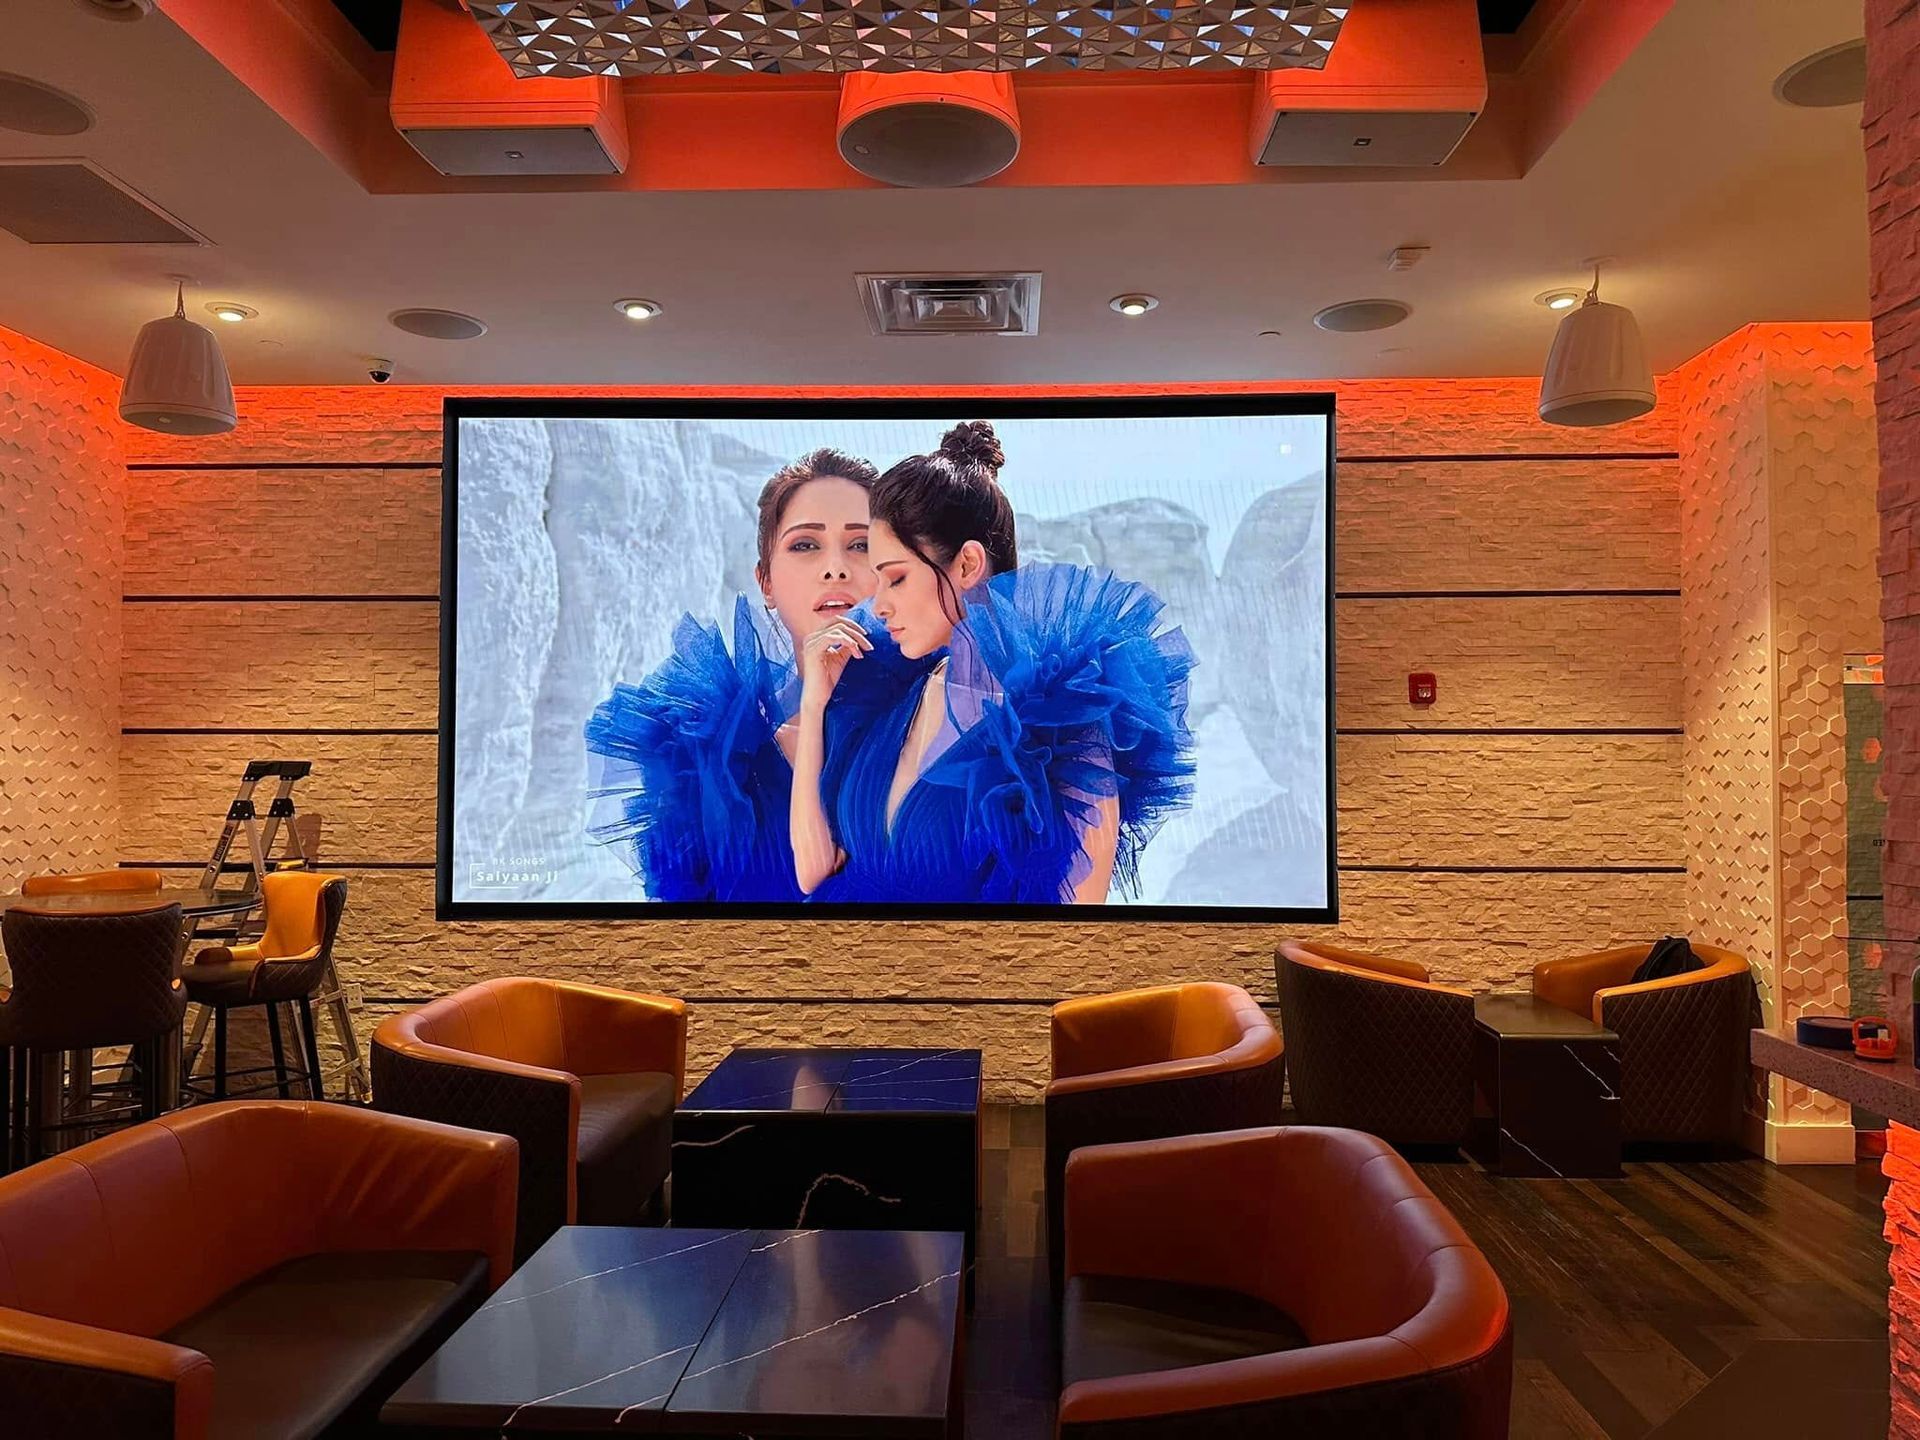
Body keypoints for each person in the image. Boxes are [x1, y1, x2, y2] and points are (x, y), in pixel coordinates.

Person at [789, 420, 1197, 905]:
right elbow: (813, 876)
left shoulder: (1062, 726)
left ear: (966, 565)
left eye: (895, 579)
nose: (877, 606)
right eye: (876, 582)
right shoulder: (890, 692)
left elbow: (1076, 934)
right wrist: (814, 705)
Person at [584, 447, 925, 901]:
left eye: (861, 545)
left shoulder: (942, 709)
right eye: (805, 545)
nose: (835, 567)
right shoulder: (707, 754)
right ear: (766, 581)